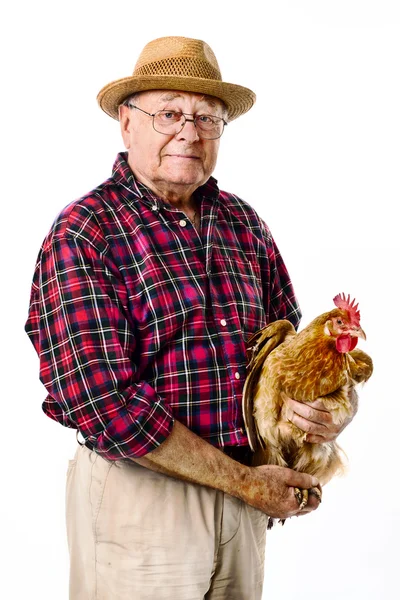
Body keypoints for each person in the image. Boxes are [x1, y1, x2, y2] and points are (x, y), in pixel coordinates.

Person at [25, 36, 353, 600]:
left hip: (248, 497)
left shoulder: (243, 224)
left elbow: (286, 354)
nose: (189, 130)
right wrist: (245, 482)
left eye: (207, 118)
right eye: (169, 112)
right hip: (143, 496)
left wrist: (324, 413)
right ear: (127, 124)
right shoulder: (86, 232)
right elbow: (102, 406)